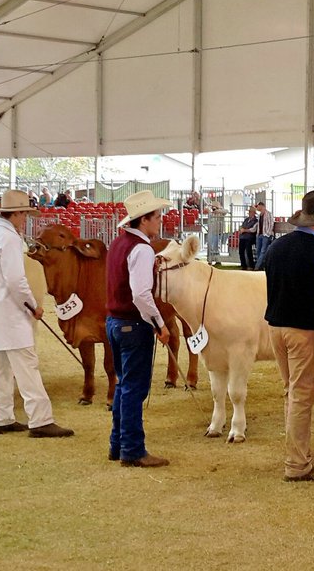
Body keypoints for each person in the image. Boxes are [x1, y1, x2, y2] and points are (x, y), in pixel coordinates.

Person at [260, 190, 314, 482]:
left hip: (276, 328)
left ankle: (296, 454)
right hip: (303, 332)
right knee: (302, 396)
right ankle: (297, 464)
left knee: (292, 391)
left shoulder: (276, 247)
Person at [0, 190, 73, 438]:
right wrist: (33, 305)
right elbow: (15, 280)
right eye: (24, 215)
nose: (25, 220)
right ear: (17, 213)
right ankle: (40, 420)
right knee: (26, 367)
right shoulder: (9, 239)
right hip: (11, 314)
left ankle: (2, 417)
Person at [106, 190, 173, 467]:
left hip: (115, 322)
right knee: (134, 388)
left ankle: (118, 444)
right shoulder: (142, 249)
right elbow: (141, 294)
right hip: (133, 324)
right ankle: (132, 450)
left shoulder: (118, 243)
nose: (160, 221)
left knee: (124, 385)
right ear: (143, 219)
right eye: (156, 216)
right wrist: (159, 323)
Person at [205, 198, 227, 264]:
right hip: (211, 231)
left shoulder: (221, 212)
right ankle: (210, 260)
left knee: (216, 246)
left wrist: (218, 210)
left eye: (214, 207)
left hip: (217, 232)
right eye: (212, 207)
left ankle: (217, 260)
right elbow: (205, 209)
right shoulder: (211, 212)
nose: (213, 208)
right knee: (210, 246)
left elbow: (226, 211)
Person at [254, 202, 274, 269]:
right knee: (258, 251)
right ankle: (260, 266)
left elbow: (271, 224)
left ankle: (257, 267)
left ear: (261, 206)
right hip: (260, 234)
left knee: (263, 251)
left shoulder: (268, 214)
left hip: (265, 235)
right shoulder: (260, 215)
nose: (257, 208)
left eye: (257, 206)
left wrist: (267, 234)